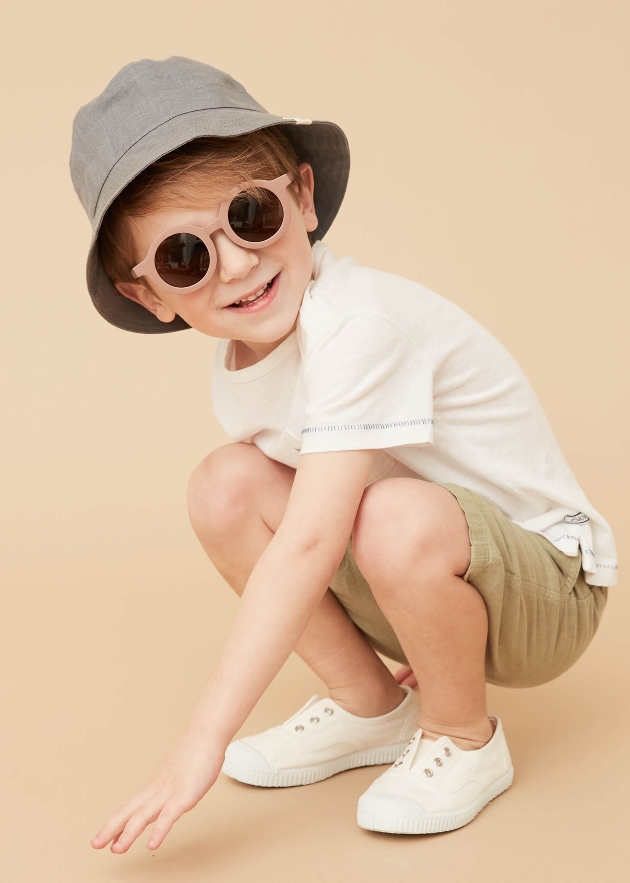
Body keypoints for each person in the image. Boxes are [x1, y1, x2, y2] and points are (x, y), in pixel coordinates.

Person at [70, 56, 617, 852]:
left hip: (548, 590)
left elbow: (312, 543)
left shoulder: (356, 326)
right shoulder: (247, 358)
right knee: (223, 486)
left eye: (251, 215)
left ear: (304, 197)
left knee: (390, 515)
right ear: (149, 294)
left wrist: (200, 743)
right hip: (421, 574)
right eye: (185, 257)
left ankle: (465, 736)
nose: (236, 264)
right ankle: (370, 706)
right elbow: (301, 528)